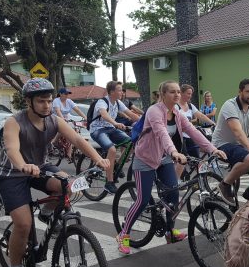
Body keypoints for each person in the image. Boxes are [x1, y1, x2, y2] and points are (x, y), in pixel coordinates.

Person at [0, 78, 109, 267]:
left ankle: (47, 213)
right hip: (12, 173)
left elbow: (77, 140)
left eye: (49, 101)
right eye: (41, 101)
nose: (46, 105)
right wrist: (23, 165)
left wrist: (97, 158)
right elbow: (12, 149)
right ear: (28, 102)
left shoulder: (54, 120)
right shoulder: (14, 121)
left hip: (40, 167)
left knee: (70, 185)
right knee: (23, 224)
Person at [115, 80, 227, 255]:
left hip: (164, 157)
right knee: (143, 199)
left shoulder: (177, 112)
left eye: (178, 92)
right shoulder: (154, 111)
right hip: (145, 159)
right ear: (163, 94)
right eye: (172, 92)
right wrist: (174, 152)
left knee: (173, 195)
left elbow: (192, 131)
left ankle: (169, 232)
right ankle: (124, 234)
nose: (177, 95)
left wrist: (213, 149)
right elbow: (161, 133)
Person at [89, 81, 140, 194]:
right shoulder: (102, 102)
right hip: (98, 130)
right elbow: (104, 114)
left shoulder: (118, 102)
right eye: (120, 90)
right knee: (111, 149)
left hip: (111, 129)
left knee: (132, 142)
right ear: (112, 92)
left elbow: (131, 114)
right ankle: (109, 182)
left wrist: (147, 123)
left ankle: (116, 165)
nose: (122, 92)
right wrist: (115, 123)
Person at [177, 84, 216, 159]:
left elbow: (201, 116)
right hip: (180, 137)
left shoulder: (190, 106)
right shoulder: (176, 106)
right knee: (183, 158)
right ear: (181, 93)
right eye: (188, 93)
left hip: (189, 135)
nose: (190, 96)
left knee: (196, 158)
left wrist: (213, 123)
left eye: (191, 94)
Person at [51, 88, 88, 160]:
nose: (67, 95)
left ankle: (69, 153)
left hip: (66, 119)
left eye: (68, 94)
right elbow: (58, 111)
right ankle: (54, 141)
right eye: (65, 94)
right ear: (60, 94)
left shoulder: (69, 101)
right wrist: (63, 119)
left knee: (74, 131)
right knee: (63, 129)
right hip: (55, 118)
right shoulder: (56, 101)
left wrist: (85, 117)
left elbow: (77, 110)